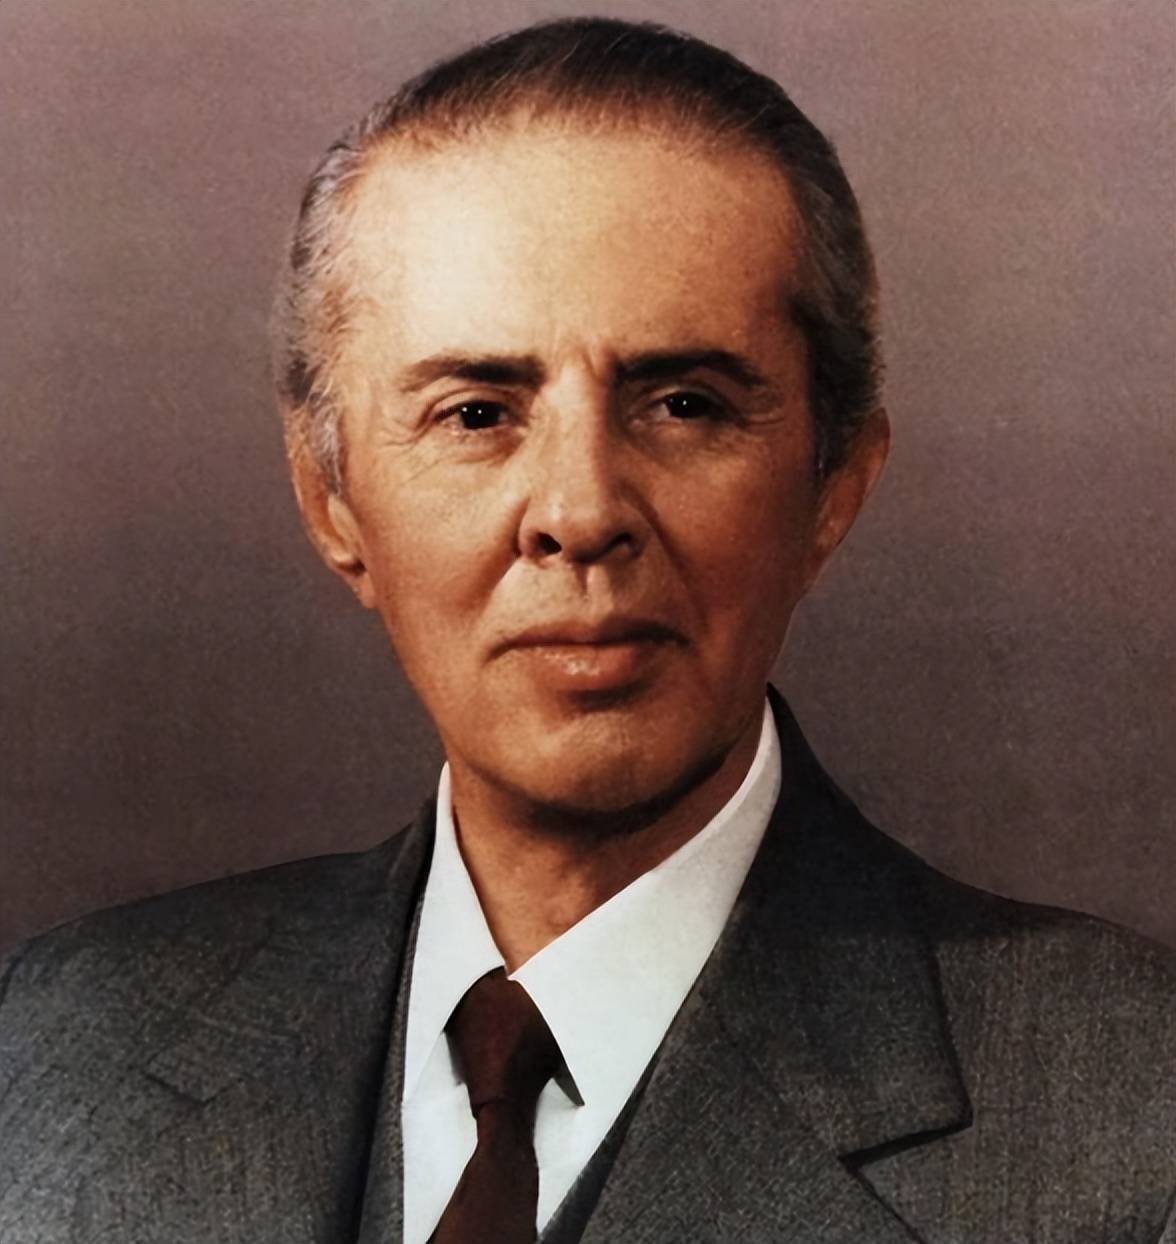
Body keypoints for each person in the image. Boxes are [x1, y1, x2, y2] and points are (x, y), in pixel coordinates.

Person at [0, 17, 1172, 1244]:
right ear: (330, 499)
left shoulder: (1139, 1114)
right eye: (476, 412)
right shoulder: (55, 1050)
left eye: (684, 403)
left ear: (835, 485)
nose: (579, 511)